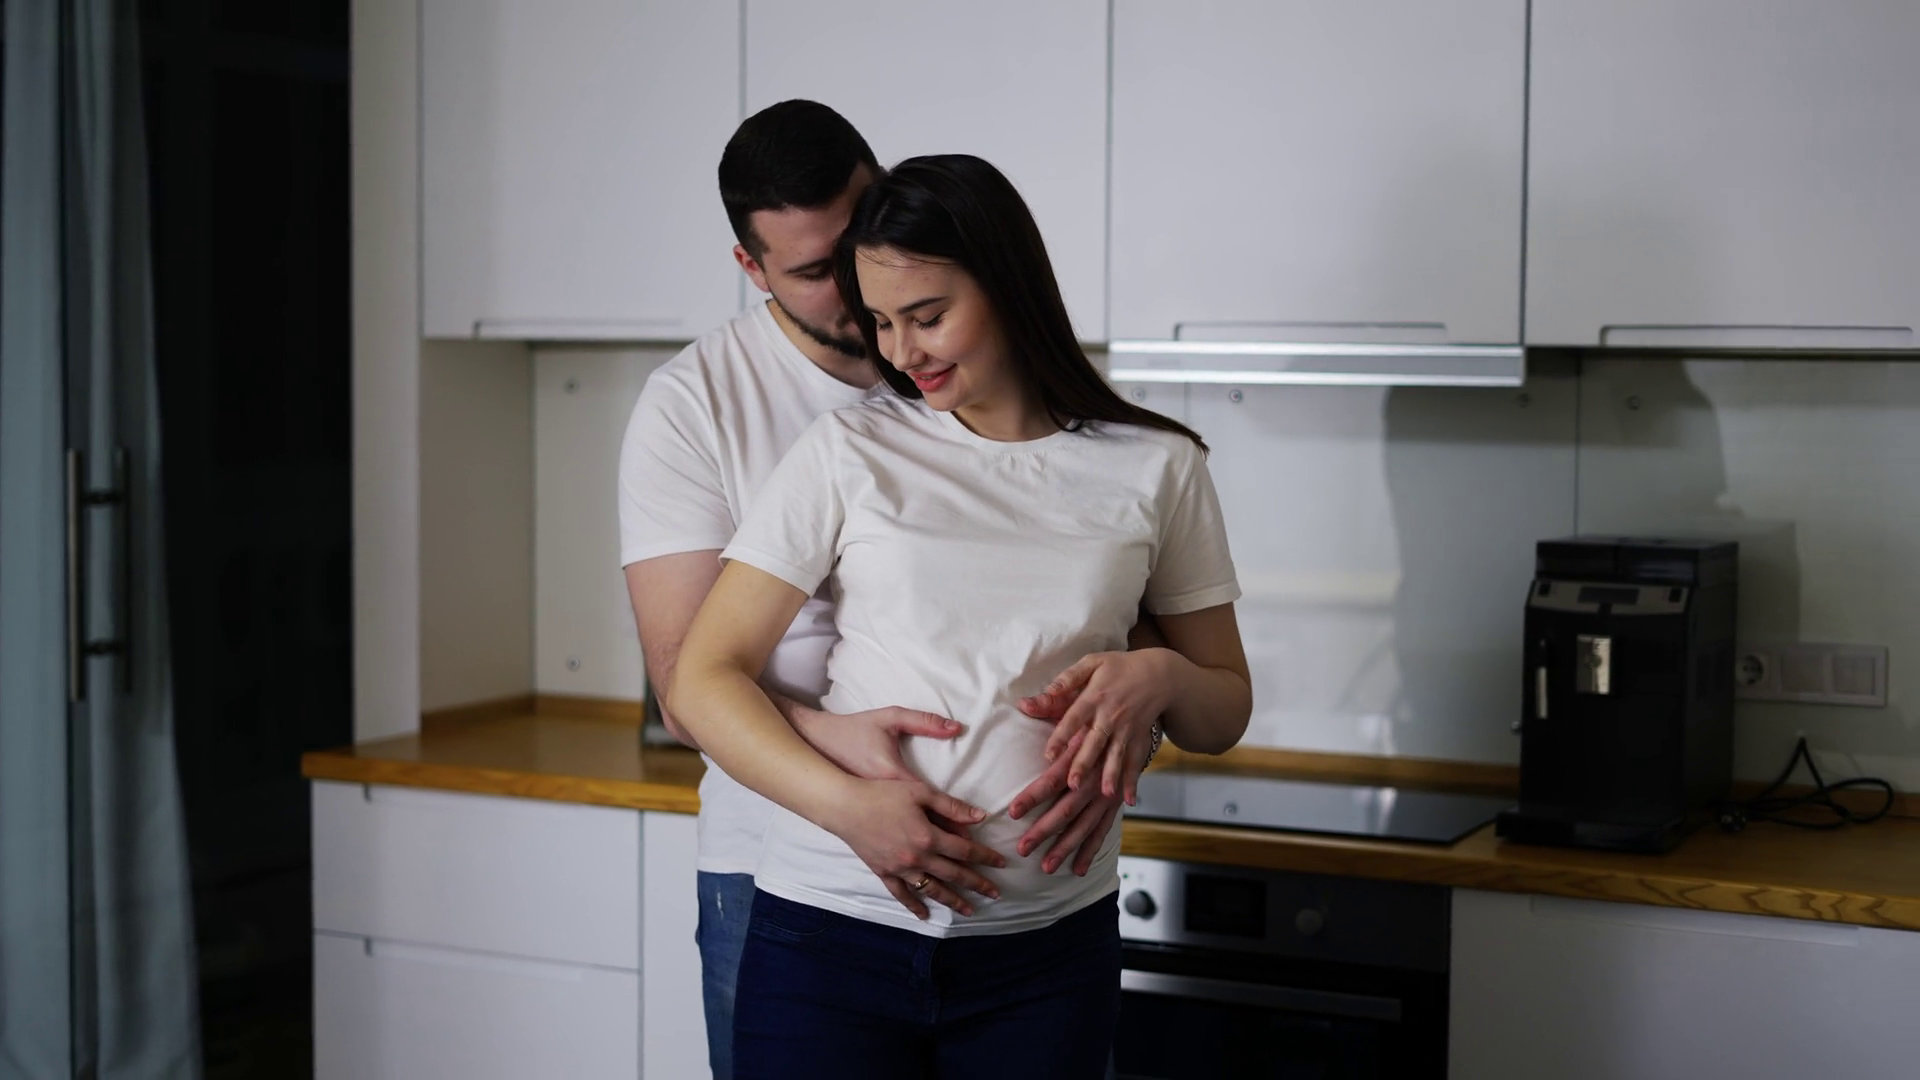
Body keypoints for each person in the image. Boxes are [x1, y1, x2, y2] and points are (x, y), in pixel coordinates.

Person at [669, 154, 1253, 1079]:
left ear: (1008, 282)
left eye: (929, 315)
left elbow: (1223, 713)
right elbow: (703, 680)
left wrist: (1165, 676)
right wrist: (850, 810)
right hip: (831, 934)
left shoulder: (1156, 465)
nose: (903, 352)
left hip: (1047, 957)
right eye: (882, 322)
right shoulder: (851, 448)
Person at [618, 103, 1129, 1079]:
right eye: (817, 271)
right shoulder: (694, 406)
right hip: (788, 873)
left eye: (860, 238)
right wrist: (843, 770)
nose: (857, 284)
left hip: (1027, 907)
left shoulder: (1007, 382)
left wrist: (1134, 719)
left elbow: (1110, 611)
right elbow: (687, 686)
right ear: (752, 269)